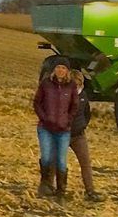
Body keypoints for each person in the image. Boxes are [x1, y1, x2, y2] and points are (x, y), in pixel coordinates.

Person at [33, 60, 78, 198]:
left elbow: (74, 106)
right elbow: (37, 103)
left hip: (63, 130)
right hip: (46, 127)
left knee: (61, 161)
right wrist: (44, 117)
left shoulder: (71, 86)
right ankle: (45, 184)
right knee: (46, 157)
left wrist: (68, 120)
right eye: (58, 67)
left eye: (63, 68)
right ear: (54, 70)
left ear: (67, 71)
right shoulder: (46, 84)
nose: (60, 70)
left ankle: (61, 189)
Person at [69, 68, 98, 200]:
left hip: (78, 135)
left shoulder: (83, 96)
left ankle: (90, 191)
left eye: (78, 84)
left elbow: (87, 113)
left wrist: (83, 125)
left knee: (85, 163)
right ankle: (52, 189)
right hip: (62, 135)